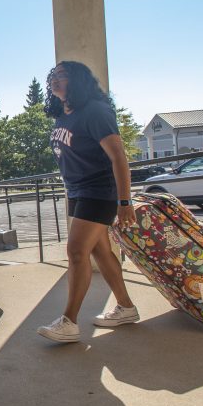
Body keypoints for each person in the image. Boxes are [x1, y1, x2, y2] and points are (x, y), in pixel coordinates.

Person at [38, 61, 138, 343]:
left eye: (62, 76)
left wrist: (124, 201)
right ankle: (126, 307)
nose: (55, 81)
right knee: (100, 252)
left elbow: (118, 157)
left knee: (76, 252)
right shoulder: (64, 114)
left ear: (78, 80)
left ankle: (69, 322)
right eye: (52, 77)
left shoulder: (95, 111)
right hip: (79, 191)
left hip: (99, 190)